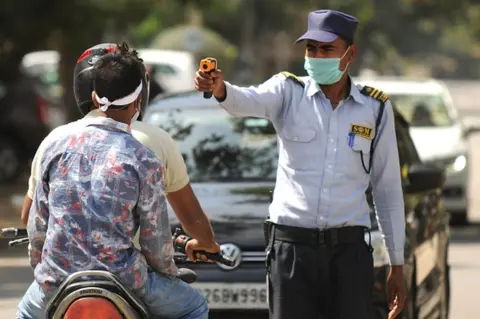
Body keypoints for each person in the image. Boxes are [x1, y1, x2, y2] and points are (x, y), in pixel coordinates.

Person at [195, 9, 406, 319]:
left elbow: (387, 189)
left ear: (350, 53)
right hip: (292, 250)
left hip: (348, 254)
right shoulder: (287, 91)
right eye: (311, 49)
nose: (316, 56)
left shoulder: (374, 108)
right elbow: (246, 100)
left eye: (326, 49)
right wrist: (219, 89)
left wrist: (396, 264)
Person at [17, 43, 218, 319]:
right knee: (194, 306)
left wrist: (44, 270)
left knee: (25, 313)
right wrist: (169, 273)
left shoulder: (55, 146)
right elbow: (155, 243)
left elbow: (36, 229)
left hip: (57, 280)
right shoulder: (143, 159)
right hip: (125, 280)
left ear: (93, 97)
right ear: (138, 101)